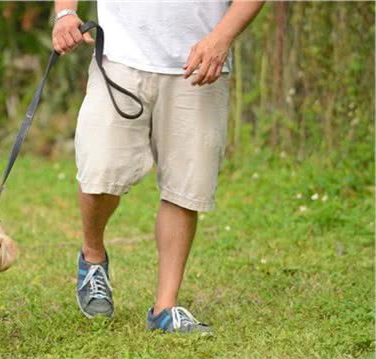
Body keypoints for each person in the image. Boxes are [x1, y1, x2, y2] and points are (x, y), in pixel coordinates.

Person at [51, 1, 264, 333]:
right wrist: (65, 13)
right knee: (99, 171)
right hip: (121, 55)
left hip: (199, 60)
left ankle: (165, 308)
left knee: (185, 188)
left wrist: (222, 38)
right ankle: (92, 256)